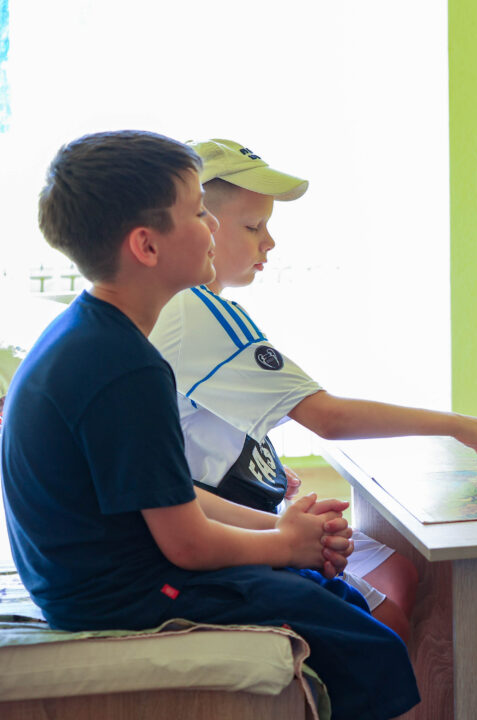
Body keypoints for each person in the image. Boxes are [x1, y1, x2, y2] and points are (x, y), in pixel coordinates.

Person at [1, 130, 420, 719]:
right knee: (369, 644)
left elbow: (172, 499)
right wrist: (284, 544)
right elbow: (188, 542)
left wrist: (287, 534)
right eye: (200, 212)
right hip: (126, 597)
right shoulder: (125, 366)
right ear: (147, 245)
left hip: (101, 582)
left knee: (329, 593)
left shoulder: (93, 335)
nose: (213, 226)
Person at [148, 138, 477, 642]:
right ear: (202, 225)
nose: (269, 243)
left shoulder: (187, 306)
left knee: (400, 571)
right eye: (253, 227)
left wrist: (268, 476)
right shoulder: (195, 308)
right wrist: (458, 425)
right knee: (389, 609)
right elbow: (328, 418)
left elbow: (203, 422)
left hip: (232, 507)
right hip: (215, 532)